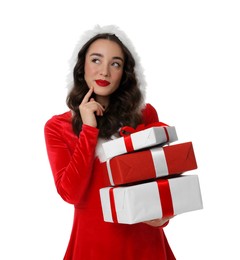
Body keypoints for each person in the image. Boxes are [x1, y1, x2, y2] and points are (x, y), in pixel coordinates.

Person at [44, 25, 176, 260]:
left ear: (124, 72)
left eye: (115, 63)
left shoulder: (144, 116)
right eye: (96, 60)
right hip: (93, 245)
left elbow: (162, 179)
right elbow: (71, 194)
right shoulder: (57, 127)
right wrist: (88, 129)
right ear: (81, 66)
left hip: (145, 244)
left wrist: (164, 215)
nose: (104, 71)